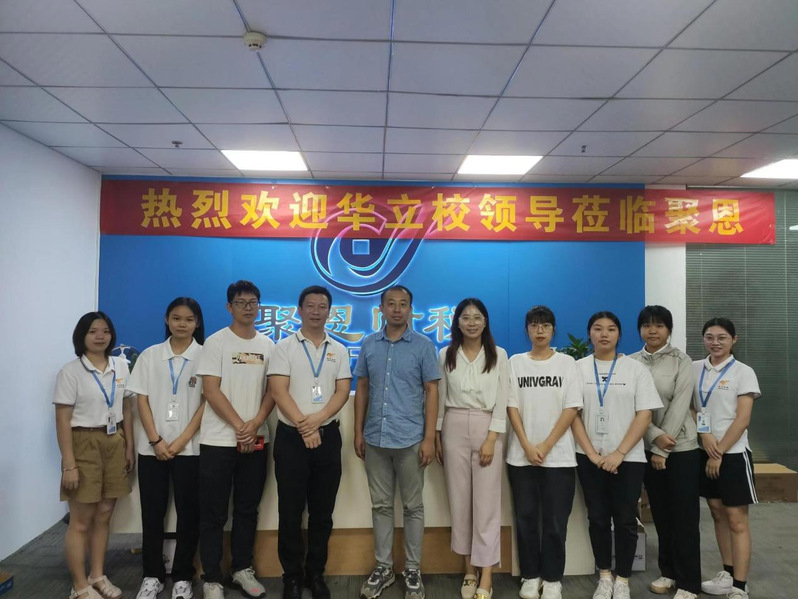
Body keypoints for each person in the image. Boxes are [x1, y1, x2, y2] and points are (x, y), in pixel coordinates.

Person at [353, 285, 441, 599]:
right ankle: (384, 567)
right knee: (380, 506)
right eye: (391, 303)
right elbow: (363, 388)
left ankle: (413, 569)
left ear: (410, 310)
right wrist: (357, 431)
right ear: (381, 308)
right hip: (375, 439)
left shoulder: (423, 346)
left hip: (411, 440)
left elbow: (432, 391)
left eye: (403, 304)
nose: (397, 309)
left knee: (413, 507)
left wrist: (428, 438)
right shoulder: (369, 344)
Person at [268, 285, 353, 599]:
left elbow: (342, 391)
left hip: (328, 437)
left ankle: (315, 573)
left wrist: (317, 421)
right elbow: (278, 391)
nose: (316, 312)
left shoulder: (339, 349)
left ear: (329, 312)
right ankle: (291, 576)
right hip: (291, 438)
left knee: (322, 512)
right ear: (299, 310)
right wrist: (305, 427)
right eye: (310, 306)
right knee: (290, 512)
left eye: (322, 306)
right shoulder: (284, 347)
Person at [571, 311, 662, 599]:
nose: (604, 334)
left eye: (611, 329)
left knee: (625, 520)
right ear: (590, 334)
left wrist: (619, 453)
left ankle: (622, 579)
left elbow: (645, 414)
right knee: (597, 518)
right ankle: (605, 577)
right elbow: (572, 414)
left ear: (619, 335)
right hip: (590, 457)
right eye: (598, 329)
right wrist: (591, 453)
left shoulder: (636, 370)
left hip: (628, 458)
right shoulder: (577, 368)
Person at [196, 280, 275, 599]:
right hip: (218, 441)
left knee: (247, 509)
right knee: (213, 512)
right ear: (229, 307)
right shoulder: (216, 342)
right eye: (241, 302)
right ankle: (212, 577)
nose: (248, 308)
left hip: (257, 440)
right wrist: (241, 426)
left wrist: (254, 425)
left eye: (253, 302)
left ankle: (242, 568)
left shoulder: (269, 345)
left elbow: (273, 391)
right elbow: (210, 390)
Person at [127, 298, 206, 599]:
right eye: (176, 318)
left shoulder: (206, 356)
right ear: (166, 320)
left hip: (190, 449)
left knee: (189, 514)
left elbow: (207, 402)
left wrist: (182, 440)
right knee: (152, 514)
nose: (182, 324)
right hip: (152, 450)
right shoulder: (150, 356)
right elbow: (142, 400)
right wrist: (155, 440)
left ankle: (183, 576)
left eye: (188, 319)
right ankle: (152, 576)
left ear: (197, 323)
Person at [54, 311, 135, 599]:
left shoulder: (121, 365)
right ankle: (79, 586)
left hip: (114, 440)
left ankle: (97, 575)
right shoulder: (70, 371)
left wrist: (128, 446)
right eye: (92, 331)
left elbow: (126, 409)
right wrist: (69, 464)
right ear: (82, 336)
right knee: (81, 520)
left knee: (104, 514)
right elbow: (62, 420)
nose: (100, 336)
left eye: (105, 331)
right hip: (83, 442)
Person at [505, 306, 582, 599]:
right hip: (520, 456)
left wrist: (547, 445)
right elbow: (511, 406)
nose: (540, 330)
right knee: (525, 518)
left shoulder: (567, 363)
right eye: (534, 325)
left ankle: (552, 578)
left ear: (553, 330)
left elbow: (571, 407)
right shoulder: (515, 363)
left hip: (559, 456)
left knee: (555, 522)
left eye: (545, 325)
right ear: (527, 329)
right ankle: (530, 575)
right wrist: (527, 445)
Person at [434, 298, 508, 599]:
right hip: (453, 426)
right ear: (457, 322)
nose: (472, 323)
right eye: (466, 317)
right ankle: (468, 569)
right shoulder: (446, 354)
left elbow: (502, 398)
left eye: (477, 317)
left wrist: (491, 438)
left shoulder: (499, 354)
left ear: (485, 321)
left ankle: (486, 573)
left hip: (486, 426)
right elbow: (440, 396)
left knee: (487, 505)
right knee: (460, 501)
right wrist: (437, 434)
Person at [629, 306, 700, 599]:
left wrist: (662, 447)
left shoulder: (682, 361)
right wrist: (654, 437)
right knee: (661, 514)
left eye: (659, 325)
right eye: (647, 325)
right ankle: (668, 572)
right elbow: (632, 408)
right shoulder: (630, 363)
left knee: (685, 517)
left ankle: (689, 583)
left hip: (681, 448)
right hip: (647, 447)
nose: (652, 330)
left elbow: (681, 405)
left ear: (669, 330)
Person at [694, 318, 761, 599]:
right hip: (705, 450)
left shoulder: (743, 372)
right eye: (710, 337)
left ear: (734, 339)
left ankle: (739, 586)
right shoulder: (695, 368)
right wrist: (705, 436)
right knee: (717, 512)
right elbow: (693, 407)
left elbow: (742, 419)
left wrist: (718, 451)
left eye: (722, 337)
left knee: (736, 520)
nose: (715, 342)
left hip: (732, 455)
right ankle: (727, 572)